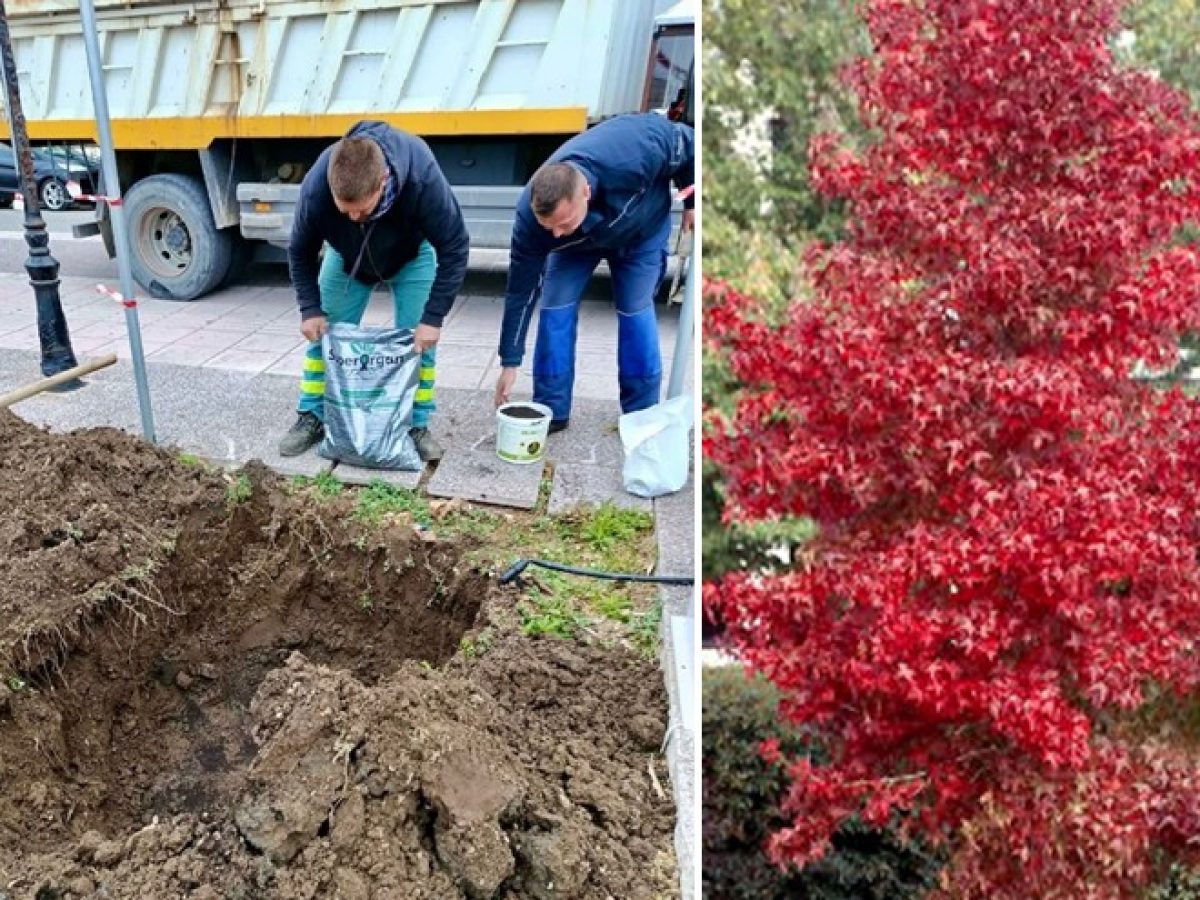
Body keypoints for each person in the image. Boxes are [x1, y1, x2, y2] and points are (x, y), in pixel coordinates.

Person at [278, 120, 470, 461]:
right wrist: (309, 308)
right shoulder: (317, 187)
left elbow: (455, 246)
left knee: (420, 343)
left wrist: (433, 318)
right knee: (322, 336)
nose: (354, 217)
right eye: (345, 210)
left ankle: (415, 424)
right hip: (346, 257)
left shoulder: (421, 174)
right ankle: (312, 415)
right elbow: (299, 249)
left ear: (383, 181)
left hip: (411, 256)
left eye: (362, 209)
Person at [493, 113, 695, 431]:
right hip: (576, 248)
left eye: (563, 223)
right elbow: (520, 291)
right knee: (555, 307)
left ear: (585, 192)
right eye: (549, 226)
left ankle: (641, 414)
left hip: (641, 232)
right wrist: (509, 361)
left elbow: (690, 145)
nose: (555, 233)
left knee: (635, 309)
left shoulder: (636, 150)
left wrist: (692, 201)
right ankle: (551, 408)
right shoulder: (532, 222)